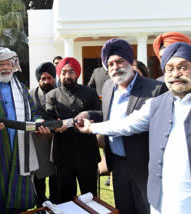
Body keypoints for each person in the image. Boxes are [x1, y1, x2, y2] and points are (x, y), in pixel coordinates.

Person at [76, 42, 191, 214]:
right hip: (132, 172)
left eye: (183, 67)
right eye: (170, 69)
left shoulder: (155, 90)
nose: (176, 74)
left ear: (131, 61)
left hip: (147, 169)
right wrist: (91, 123)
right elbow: (125, 122)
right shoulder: (152, 103)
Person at [0, 47, 50, 214]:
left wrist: (38, 122)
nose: (6, 67)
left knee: (19, 201)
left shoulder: (21, 89)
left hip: (21, 152)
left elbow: (34, 114)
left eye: (9, 63)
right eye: (0, 64)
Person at [45, 57, 101, 203]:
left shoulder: (90, 93)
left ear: (77, 73)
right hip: (63, 155)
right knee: (65, 199)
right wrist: (55, 127)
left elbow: (102, 114)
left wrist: (89, 116)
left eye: (71, 72)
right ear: (59, 74)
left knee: (90, 197)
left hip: (87, 154)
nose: (67, 76)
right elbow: (49, 120)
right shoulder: (52, 96)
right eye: (63, 72)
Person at [29, 62, 57, 206]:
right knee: (39, 179)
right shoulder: (30, 95)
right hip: (38, 143)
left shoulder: (60, 92)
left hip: (57, 142)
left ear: (55, 78)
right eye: (43, 78)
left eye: (49, 78)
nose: (46, 81)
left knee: (56, 178)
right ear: (38, 80)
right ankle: (41, 205)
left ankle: (55, 204)